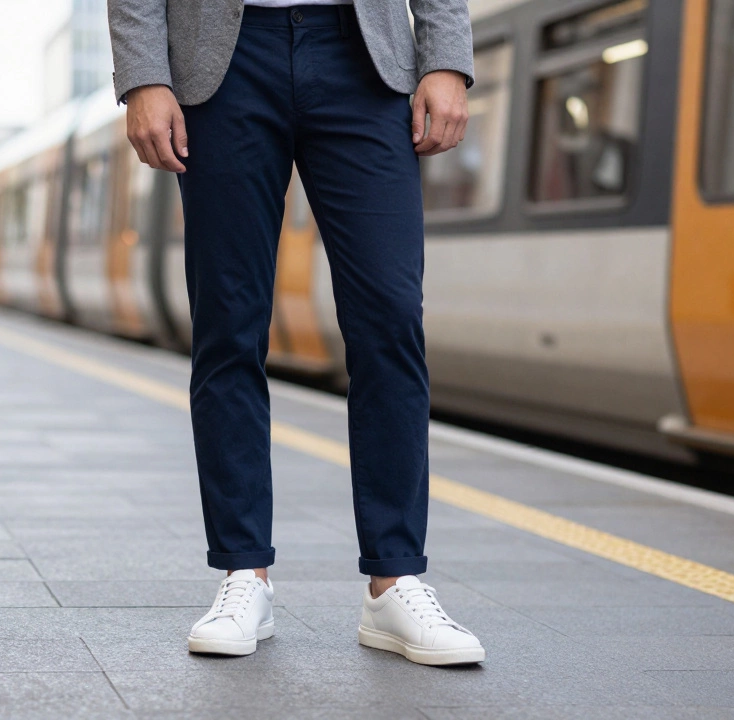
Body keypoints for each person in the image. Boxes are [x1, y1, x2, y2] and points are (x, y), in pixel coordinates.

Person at [108, 0, 484, 665]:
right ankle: (242, 575)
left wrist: (446, 57)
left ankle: (395, 580)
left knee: (390, 318)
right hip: (222, 61)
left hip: (362, 57)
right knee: (229, 325)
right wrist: (143, 74)